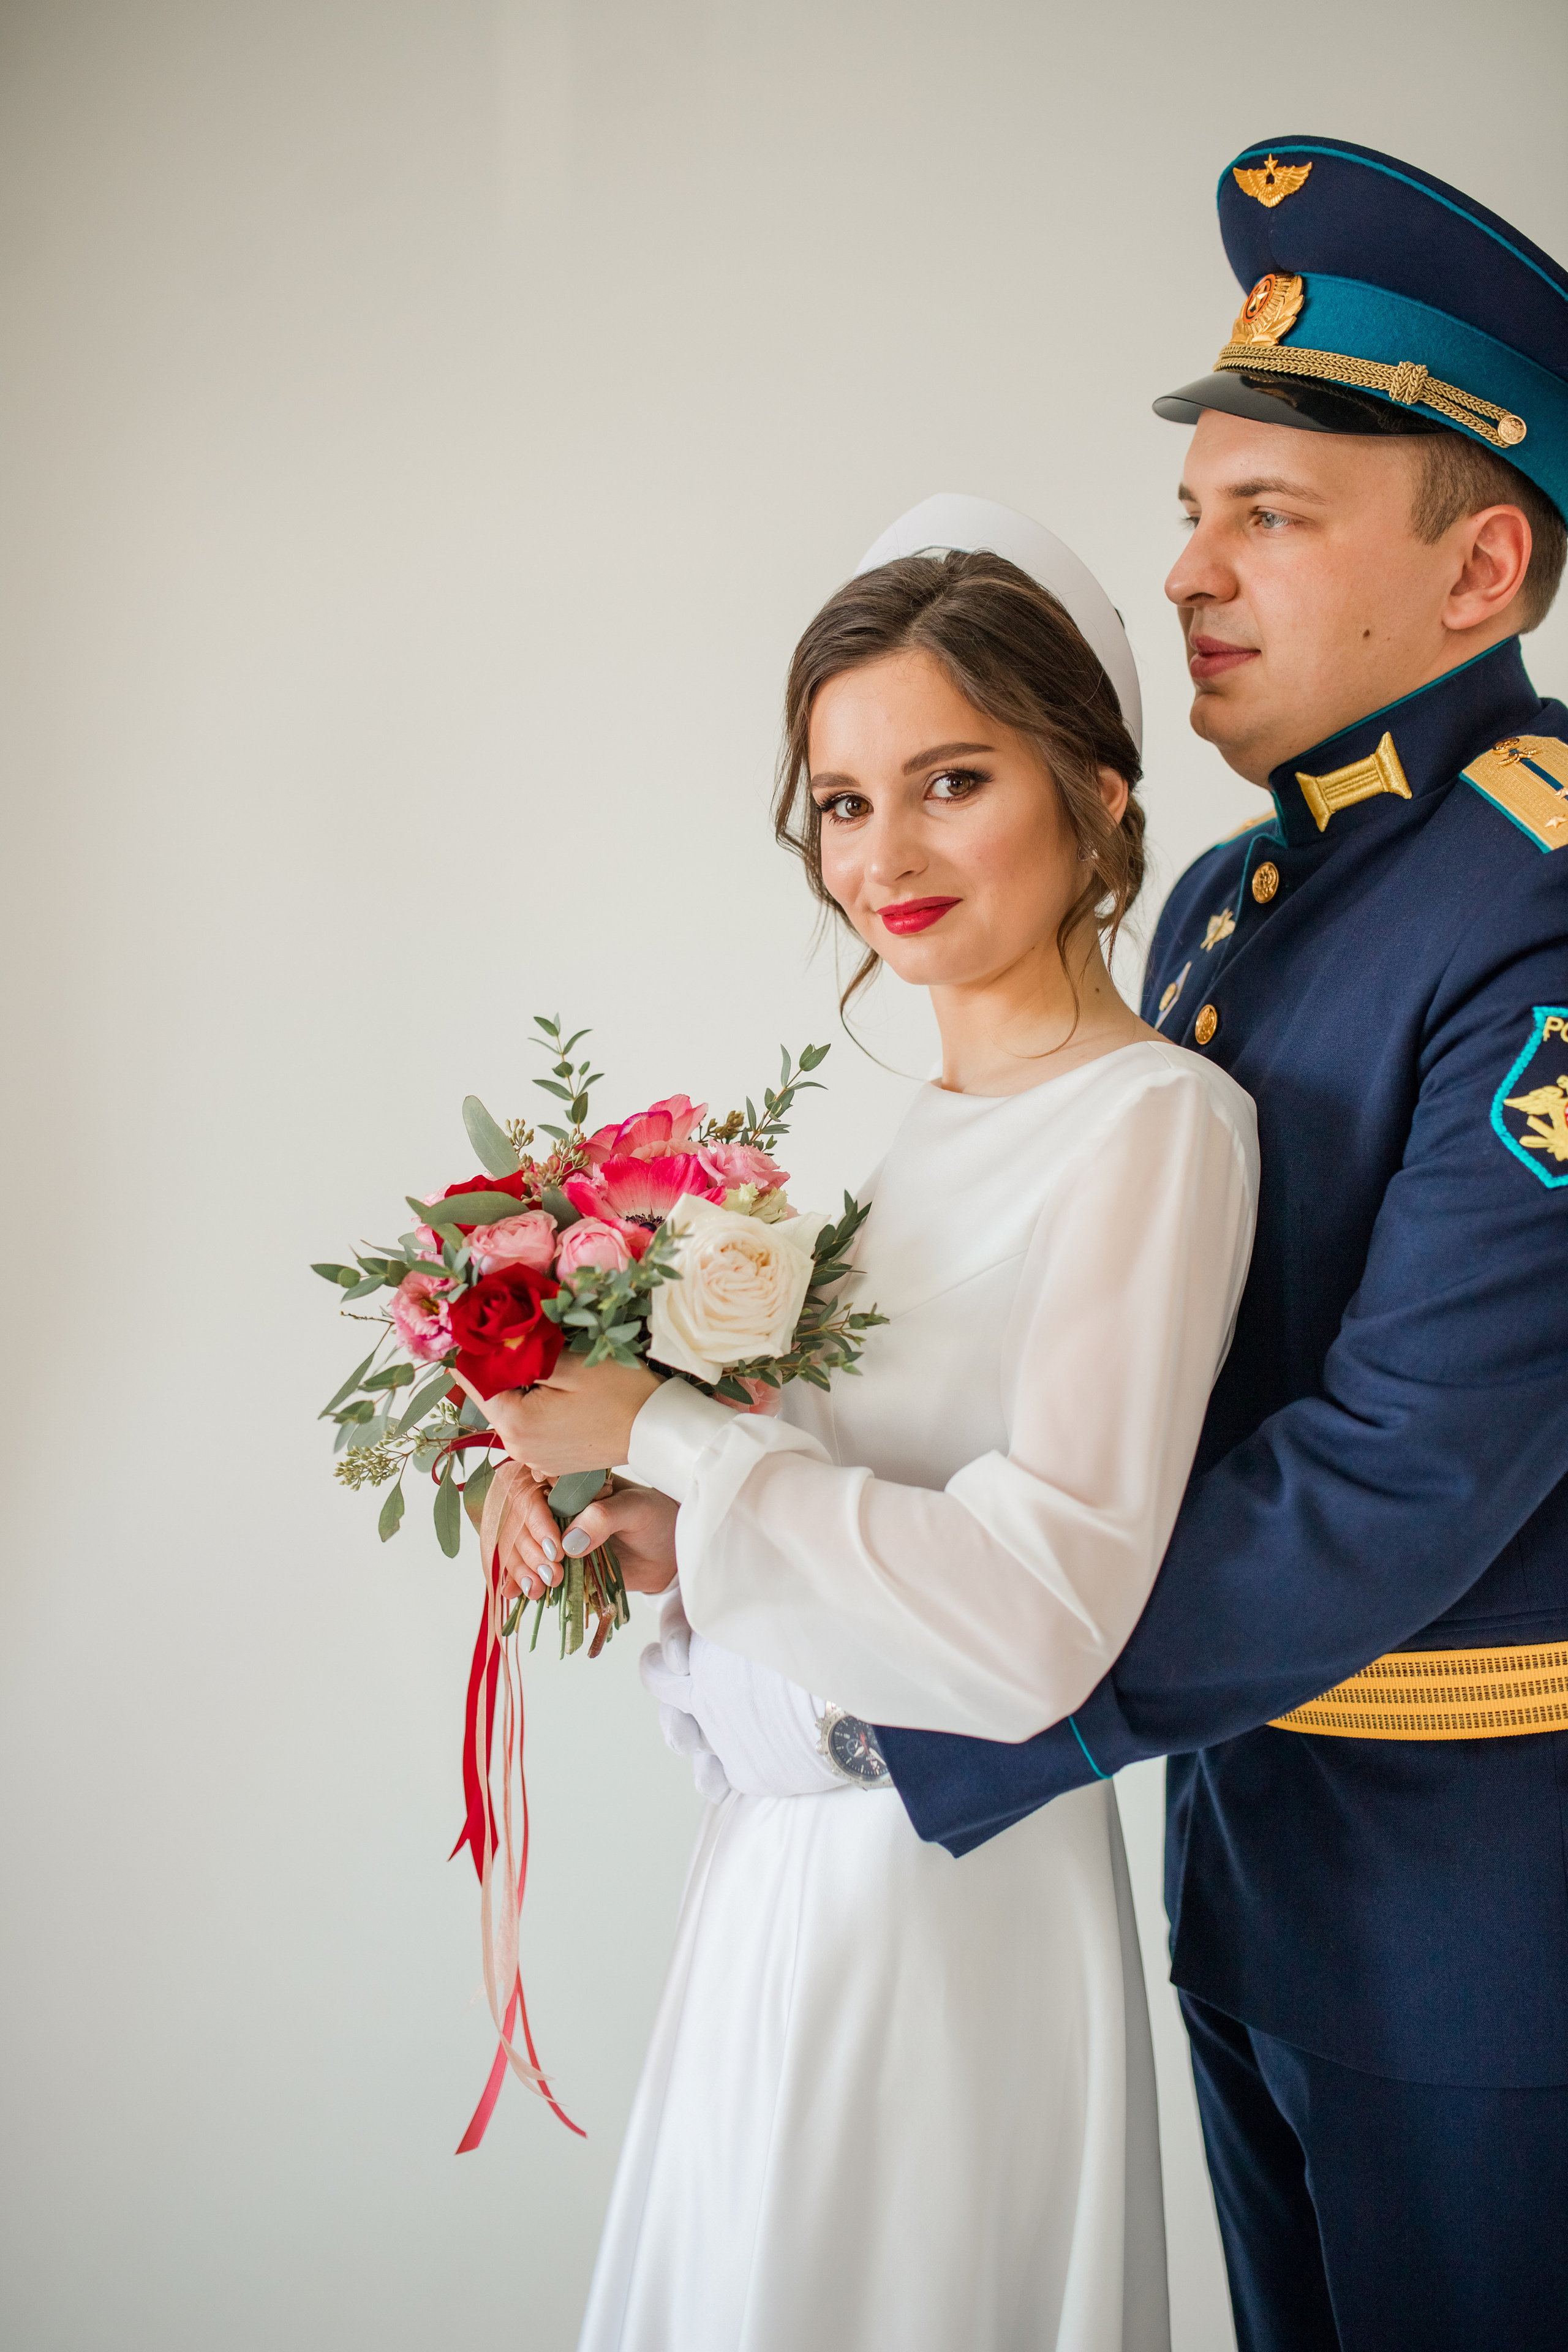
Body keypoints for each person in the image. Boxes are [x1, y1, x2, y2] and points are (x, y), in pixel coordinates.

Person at [553, 140, 1568, 2352]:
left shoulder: (1538, 909)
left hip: (1483, 1916)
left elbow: (1397, 1472)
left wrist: (942, 1720)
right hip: (1237, 1862)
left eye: (1270, 518)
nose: (1193, 570)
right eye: (1194, 510)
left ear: (1484, 565)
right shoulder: (1233, 911)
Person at [473, 502, 1259, 2351]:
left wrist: (673, 1438)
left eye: (951, 780)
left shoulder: (1156, 1126)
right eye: (840, 799)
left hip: (946, 1907)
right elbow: (850, 1539)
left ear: (1101, 793)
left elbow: (1041, 1610)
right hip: (796, 1884)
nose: (880, 855)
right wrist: (640, 1532)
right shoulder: (917, 1141)